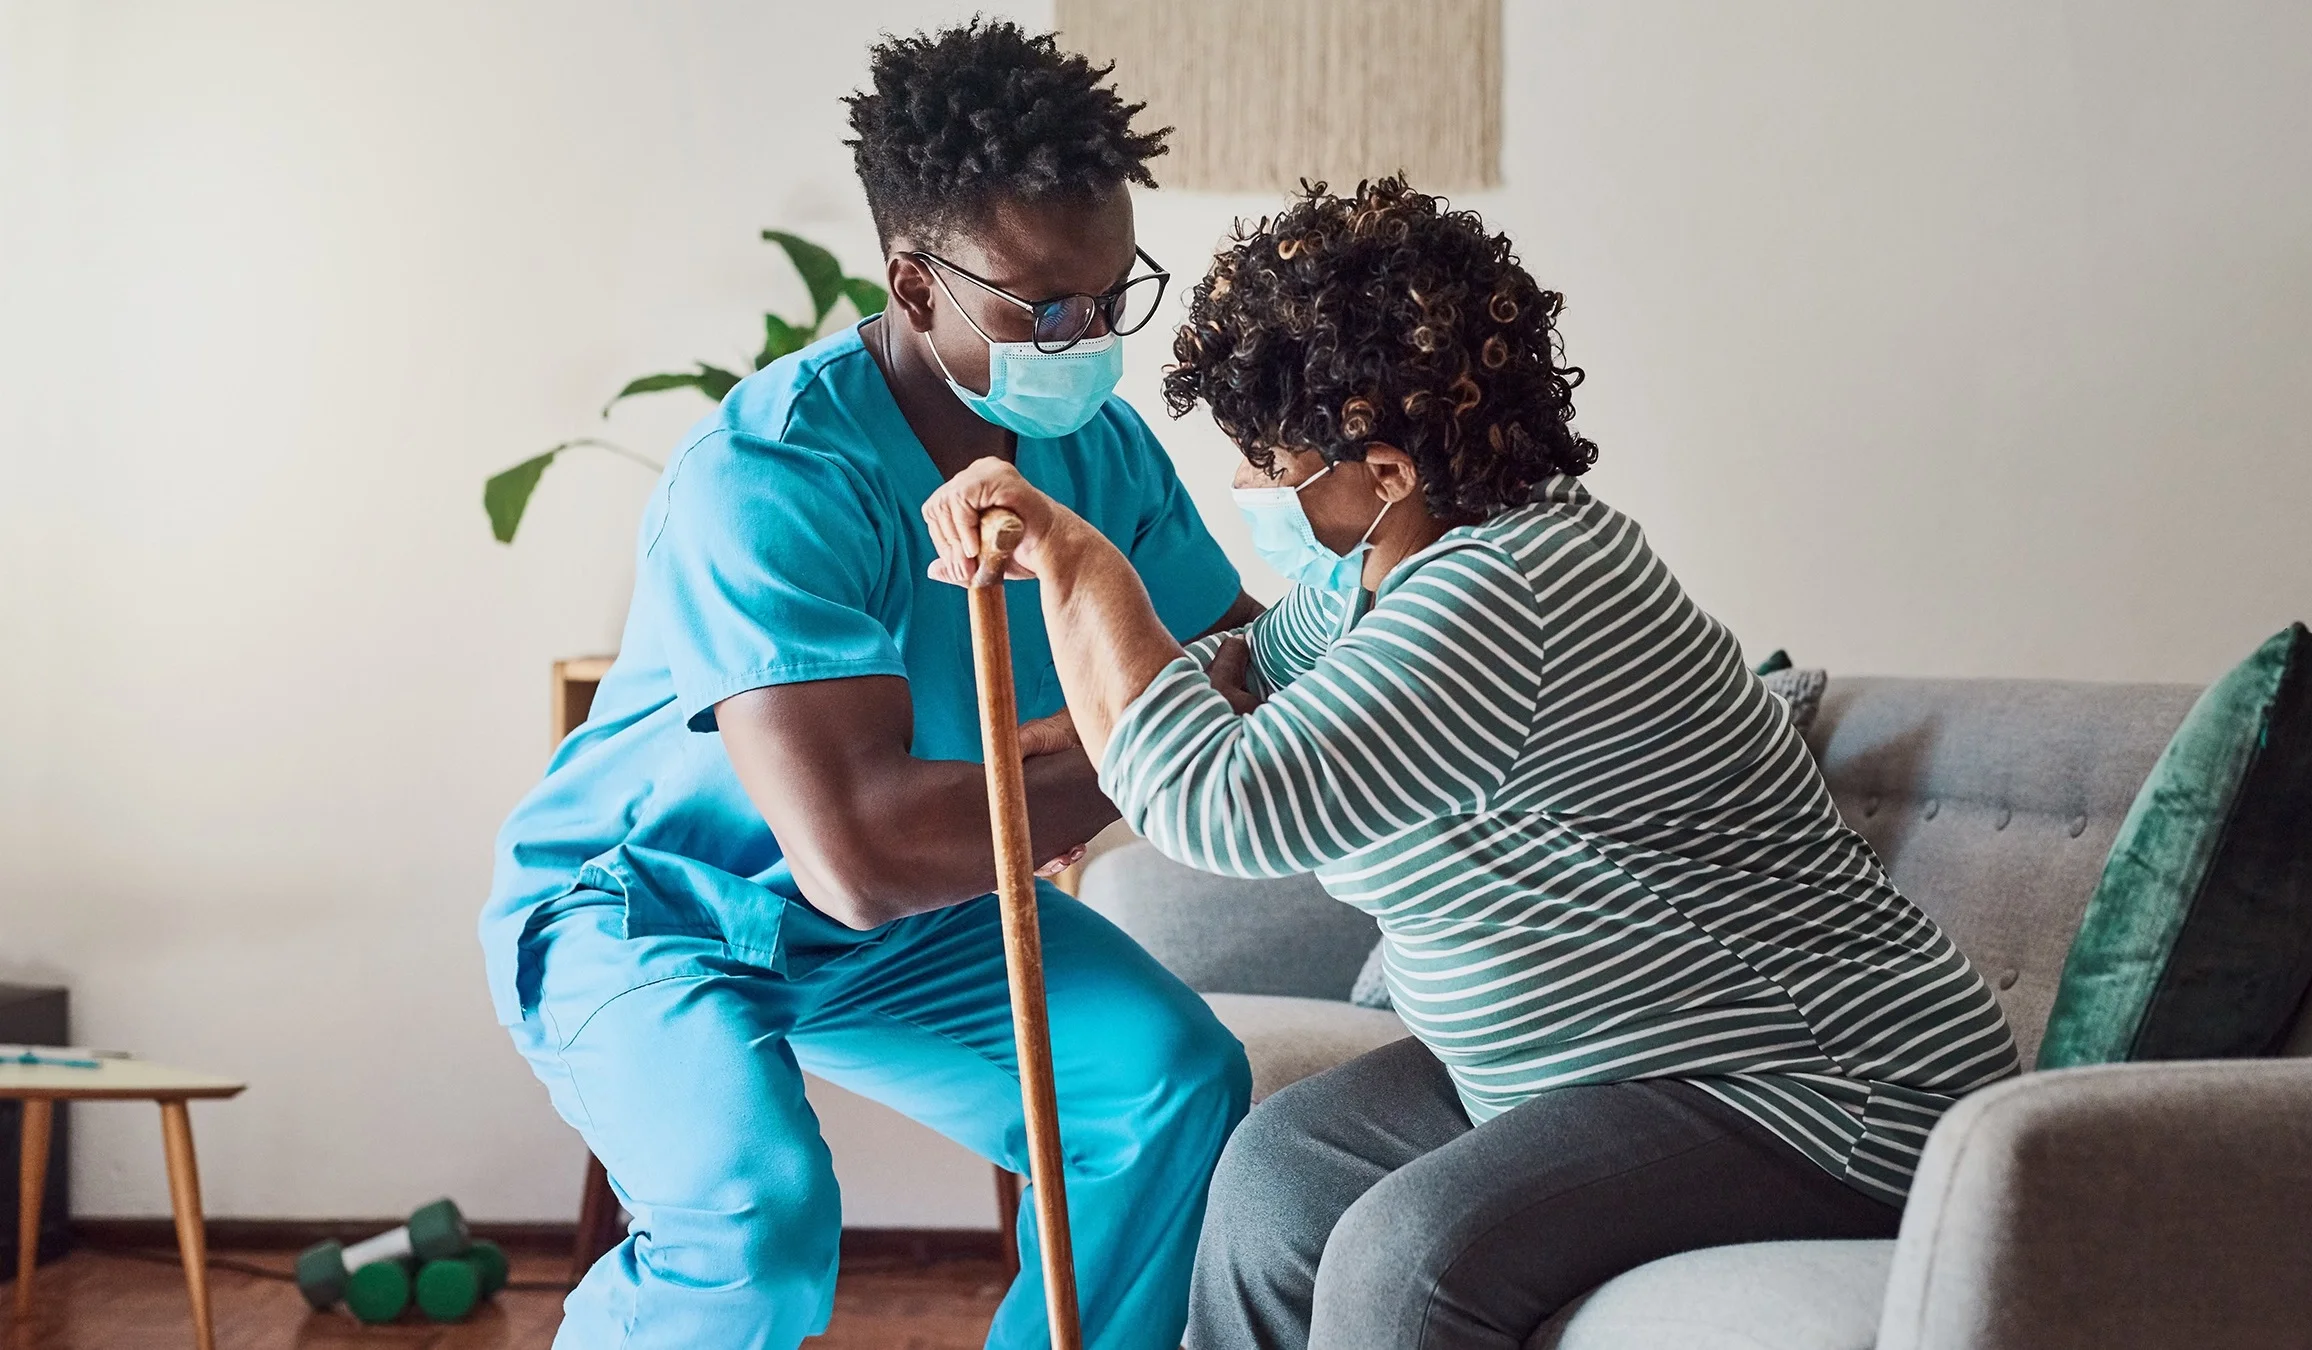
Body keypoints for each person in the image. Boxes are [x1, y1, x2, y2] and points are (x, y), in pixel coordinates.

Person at [922, 178, 2022, 1350]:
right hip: (1590, 1069)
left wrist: (1082, 564)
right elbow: (1244, 666)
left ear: (1387, 472)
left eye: (1269, 458)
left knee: (1415, 1262)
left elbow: (1217, 803)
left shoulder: (1507, 588)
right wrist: (1089, 719)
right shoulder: (1384, 574)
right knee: (1277, 1181)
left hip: (1812, 1090)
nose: (1250, 488)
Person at [481, 22, 1259, 1349]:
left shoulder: (1103, 452)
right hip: (656, 910)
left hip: (907, 921)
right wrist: (1141, 747)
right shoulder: (772, 479)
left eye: (1115, 294)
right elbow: (858, 850)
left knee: (1172, 1085)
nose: (1089, 336)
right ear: (913, 286)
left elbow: (1242, 658)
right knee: (758, 1222)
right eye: (1044, 309)